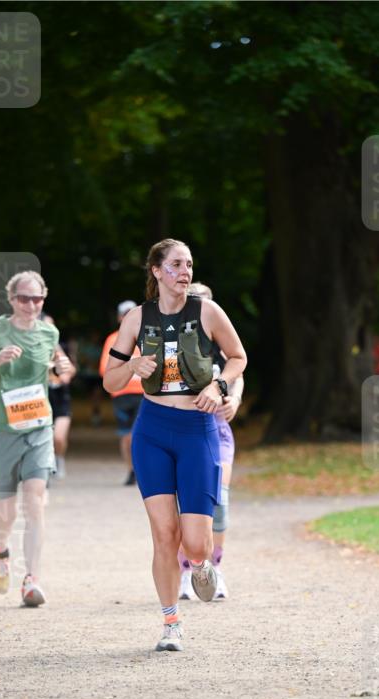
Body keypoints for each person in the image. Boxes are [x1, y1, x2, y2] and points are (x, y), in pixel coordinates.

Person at [103, 239, 247, 652]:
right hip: (152, 430)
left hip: (197, 430)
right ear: (156, 271)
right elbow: (111, 382)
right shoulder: (136, 319)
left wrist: (219, 386)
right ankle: (170, 624)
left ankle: (202, 565)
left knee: (196, 542)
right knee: (164, 534)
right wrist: (130, 366)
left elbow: (238, 357)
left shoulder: (208, 312)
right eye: (176, 265)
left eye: (188, 265)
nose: (184, 272)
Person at [0, 271, 74, 607]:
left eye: (37, 299)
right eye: (24, 298)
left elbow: (63, 367)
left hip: (38, 429)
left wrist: (60, 368)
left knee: (35, 502)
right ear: (11, 300)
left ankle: (32, 580)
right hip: (1, 432)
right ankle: (1, 547)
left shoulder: (48, 332)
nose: (31, 305)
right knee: (6, 513)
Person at [178, 282, 244, 600]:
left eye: (206, 302)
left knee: (218, 500)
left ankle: (215, 567)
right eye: (195, 302)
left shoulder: (219, 343)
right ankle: (187, 570)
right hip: (183, 431)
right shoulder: (172, 343)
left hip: (217, 430)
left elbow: (238, 372)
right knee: (186, 503)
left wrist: (235, 400)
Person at [98, 300, 142, 485]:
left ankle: (143, 470)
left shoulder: (146, 335)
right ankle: (131, 470)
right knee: (126, 436)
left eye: (131, 313)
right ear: (119, 317)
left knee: (141, 434)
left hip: (144, 393)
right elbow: (104, 370)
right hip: (121, 394)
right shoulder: (112, 339)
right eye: (124, 313)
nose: (127, 316)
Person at [44, 312, 77, 479]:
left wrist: (66, 375)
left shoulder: (59, 348)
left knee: (58, 437)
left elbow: (71, 369)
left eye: (52, 325)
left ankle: (59, 459)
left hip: (61, 400)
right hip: (42, 401)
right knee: (45, 438)